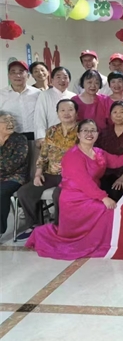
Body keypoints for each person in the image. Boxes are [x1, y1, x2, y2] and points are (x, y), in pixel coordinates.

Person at [26, 120, 123, 260]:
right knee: (107, 210)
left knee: (110, 210)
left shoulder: (98, 152)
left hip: (90, 195)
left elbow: (116, 161)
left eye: (93, 130)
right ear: (79, 135)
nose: (89, 133)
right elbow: (84, 182)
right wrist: (104, 198)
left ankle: (105, 242)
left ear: (97, 134)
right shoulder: (73, 155)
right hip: (74, 199)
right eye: (85, 130)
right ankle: (99, 243)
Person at [15, 99, 79, 240]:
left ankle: (59, 227)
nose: (66, 113)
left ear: (76, 113)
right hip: (50, 173)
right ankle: (34, 225)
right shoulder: (52, 131)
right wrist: (38, 174)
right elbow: (43, 154)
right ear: (57, 113)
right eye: (62, 110)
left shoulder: (82, 130)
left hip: (71, 176)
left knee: (58, 194)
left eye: (70, 110)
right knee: (25, 192)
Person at [0, 111, 28, 237]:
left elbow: (15, 162)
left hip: (15, 177)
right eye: (6, 121)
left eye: (12, 121)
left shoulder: (20, 139)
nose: (10, 124)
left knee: (1, 192)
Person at [0, 61, 41, 141]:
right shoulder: (1, 95)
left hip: (35, 136)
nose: (17, 75)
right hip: (10, 138)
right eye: (13, 72)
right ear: (9, 76)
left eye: (21, 72)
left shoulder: (38, 93)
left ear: (28, 76)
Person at [34, 67, 76, 143]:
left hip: (72, 137)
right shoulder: (45, 95)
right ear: (52, 80)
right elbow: (39, 117)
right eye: (58, 77)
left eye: (65, 77)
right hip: (50, 137)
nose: (62, 80)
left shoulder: (74, 96)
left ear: (69, 80)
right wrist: (41, 137)